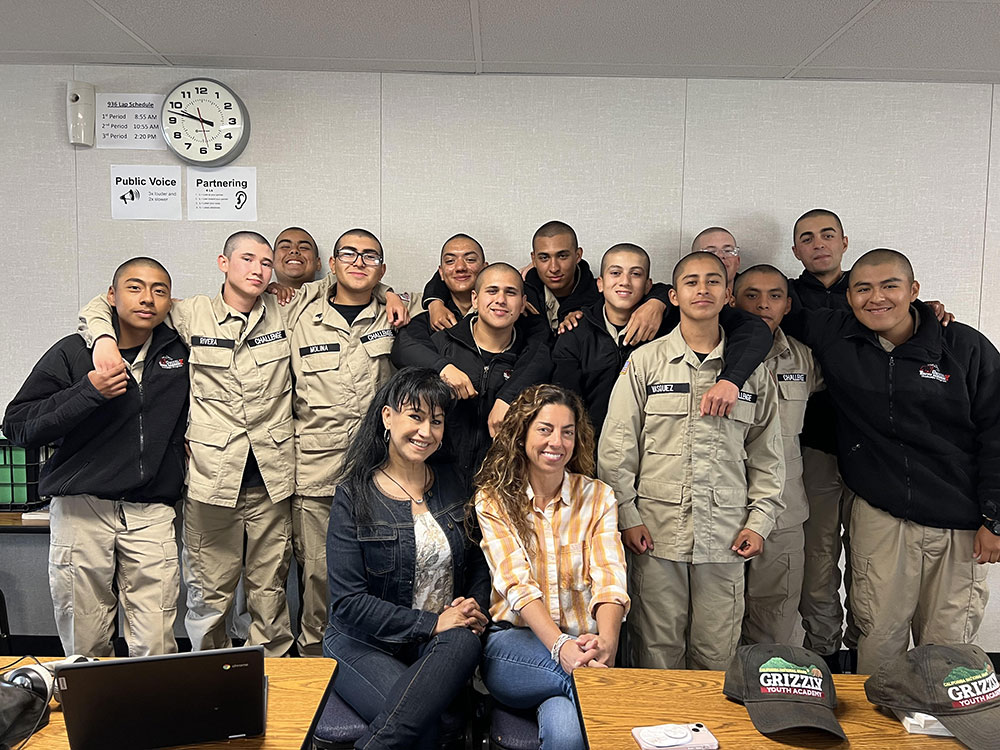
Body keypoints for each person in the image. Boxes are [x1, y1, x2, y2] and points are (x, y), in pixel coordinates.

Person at [782, 248, 1000, 675]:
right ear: (849, 295)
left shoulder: (963, 346)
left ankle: (937, 733)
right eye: (863, 288)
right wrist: (661, 297)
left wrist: (995, 519)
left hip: (960, 520)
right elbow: (757, 312)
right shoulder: (836, 336)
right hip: (882, 513)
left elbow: (996, 431)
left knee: (949, 641)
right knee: (878, 633)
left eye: (890, 286)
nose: (875, 298)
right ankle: (876, 734)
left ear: (914, 291)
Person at [79, 231, 296, 656]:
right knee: (209, 594)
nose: (258, 269)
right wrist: (104, 340)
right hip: (212, 483)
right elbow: (100, 305)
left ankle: (281, 688)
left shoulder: (286, 312)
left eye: (266, 262)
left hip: (273, 481)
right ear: (223, 262)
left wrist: (390, 292)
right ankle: (212, 682)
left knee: (269, 595)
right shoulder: (191, 314)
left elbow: (351, 291)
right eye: (247, 258)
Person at [599, 252, 784, 671]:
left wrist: (760, 522)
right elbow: (617, 447)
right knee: (655, 650)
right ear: (674, 296)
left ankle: (707, 735)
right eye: (692, 282)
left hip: (726, 536)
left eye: (713, 282)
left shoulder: (752, 374)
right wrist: (627, 516)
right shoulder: (646, 362)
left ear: (728, 295)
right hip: (657, 534)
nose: (703, 289)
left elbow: (769, 457)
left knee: (717, 653)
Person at [4, 258, 188, 657]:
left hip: (151, 509)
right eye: (135, 288)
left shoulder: (179, 350)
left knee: (157, 639)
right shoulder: (73, 352)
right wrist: (88, 391)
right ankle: (92, 718)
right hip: (81, 510)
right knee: (85, 639)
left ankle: (154, 717)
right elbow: (18, 426)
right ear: (111, 296)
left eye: (159, 290)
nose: (147, 298)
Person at [324, 367, 489, 750]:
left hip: (440, 642)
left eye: (436, 420)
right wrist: (431, 622)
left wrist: (473, 604)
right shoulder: (353, 496)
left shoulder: (454, 483)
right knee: (422, 728)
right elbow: (348, 604)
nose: (426, 431)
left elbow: (480, 560)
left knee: (464, 640)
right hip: (363, 643)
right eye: (415, 416)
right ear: (387, 417)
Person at [282, 227, 421, 656]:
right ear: (334, 263)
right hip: (318, 469)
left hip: (379, 469)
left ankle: (372, 660)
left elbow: (444, 295)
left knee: (387, 573)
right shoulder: (297, 313)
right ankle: (314, 660)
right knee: (319, 577)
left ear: (382, 269)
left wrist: (393, 294)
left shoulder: (400, 313)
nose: (359, 262)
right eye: (349, 254)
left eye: (370, 256)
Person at [475, 384, 628, 750]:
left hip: (584, 650)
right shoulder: (493, 499)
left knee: (568, 732)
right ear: (522, 433)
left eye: (567, 432)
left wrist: (606, 642)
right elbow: (517, 587)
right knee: (592, 686)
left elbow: (610, 579)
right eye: (544, 429)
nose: (556, 442)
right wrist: (562, 646)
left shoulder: (598, 496)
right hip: (514, 646)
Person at [552, 243, 772, 438]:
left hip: (652, 454)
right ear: (600, 283)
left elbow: (755, 330)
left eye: (635, 274)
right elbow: (565, 405)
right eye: (615, 273)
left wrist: (659, 301)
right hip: (588, 450)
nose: (625, 282)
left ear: (648, 285)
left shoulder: (675, 321)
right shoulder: (575, 332)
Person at [730, 264, 823, 645]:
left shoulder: (805, 359)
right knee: (718, 618)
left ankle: (770, 696)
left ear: (787, 305)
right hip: (725, 508)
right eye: (751, 295)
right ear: (732, 301)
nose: (762, 305)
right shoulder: (712, 352)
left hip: (784, 510)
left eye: (774, 296)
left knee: (776, 615)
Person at [392, 263, 552, 473]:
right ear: (475, 299)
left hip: (501, 480)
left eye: (510, 292)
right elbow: (402, 350)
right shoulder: (443, 343)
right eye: (492, 291)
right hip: (437, 480)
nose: (501, 300)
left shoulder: (528, 356)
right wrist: (443, 368)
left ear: (523, 304)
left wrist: (508, 399)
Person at [420, 233, 489, 330]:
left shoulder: (502, 310)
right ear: (441, 273)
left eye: (470, 259)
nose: (460, 267)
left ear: (485, 268)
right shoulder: (419, 318)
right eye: (450, 261)